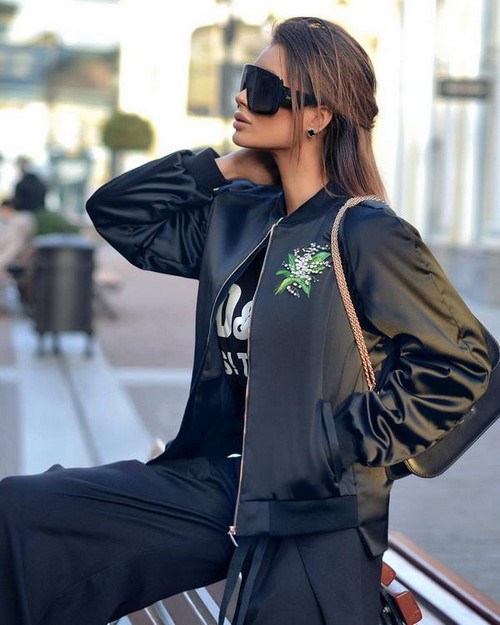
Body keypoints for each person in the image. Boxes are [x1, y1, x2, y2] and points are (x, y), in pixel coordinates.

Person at [0, 16, 492, 625]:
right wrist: (223, 169)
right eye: (244, 79)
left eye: (261, 87)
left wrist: (337, 443)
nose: (239, 97)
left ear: (317, 115)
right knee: (24, 511)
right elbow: (118, 215)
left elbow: (462, 361)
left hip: (306, 507)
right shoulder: (238, 219)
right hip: (216, 482)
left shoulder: (365, 231)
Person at [0, 196, 35, 282]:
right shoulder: (15, 222)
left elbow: (14, 248)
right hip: (14, 263)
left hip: (14, 264)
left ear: (9, 209)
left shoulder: (18, 224)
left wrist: (1, 262)